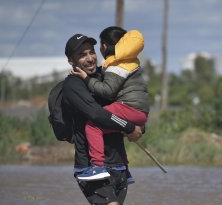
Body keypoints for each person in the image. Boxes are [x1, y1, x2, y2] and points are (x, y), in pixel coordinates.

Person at [63, 33, 142, 205]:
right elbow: (96, 114)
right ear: (71, 61)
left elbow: (129, 106)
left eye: (91, 52)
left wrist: (139, 127)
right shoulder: (73, 85)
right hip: (92, 168)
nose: (90, 58)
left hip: (119, 164)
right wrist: (129, 127)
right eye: (82, 55)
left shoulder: (107, 77)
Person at [71, 26, 149, 181]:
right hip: (140, 112)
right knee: (111, 127)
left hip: (128, 107)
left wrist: (86, 78)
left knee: (93, 124)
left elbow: (108, 91)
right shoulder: (132, 62)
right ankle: (125, 170)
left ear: (105, 46)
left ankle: (98, 167)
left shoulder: (116, 64)